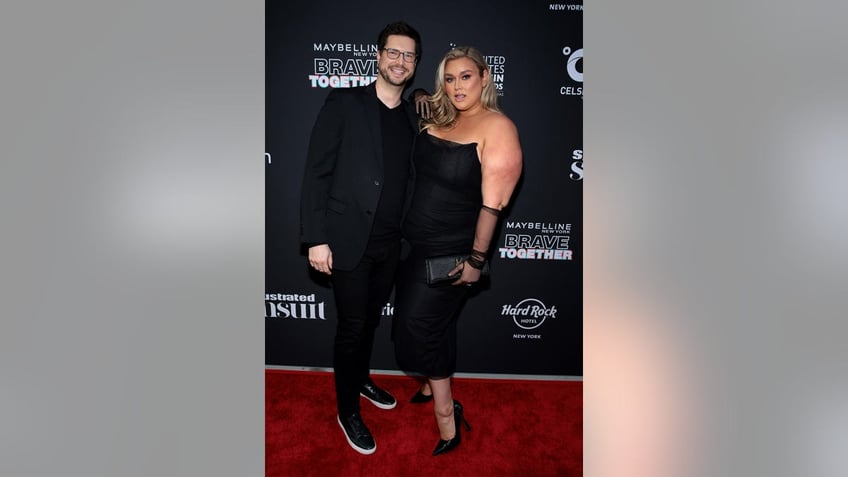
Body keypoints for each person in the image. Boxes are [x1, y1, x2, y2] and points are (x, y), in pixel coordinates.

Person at [299, 21, 427, 455]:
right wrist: (315, 237)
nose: (400, 61)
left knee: (370, 321)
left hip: (391, 244)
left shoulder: (413, 113)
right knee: (352, 328)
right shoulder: (345, 102)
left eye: (409, 56)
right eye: (394, 52)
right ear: (377, 55)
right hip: (347, 239)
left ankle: (360, 378)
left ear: (414, 65)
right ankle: (347, 409)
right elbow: (316, 172)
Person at [392, 46, 523, 456]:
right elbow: (422, 105)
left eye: (465, 77)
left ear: (484, 77)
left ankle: (448, 419)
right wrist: (419, 99)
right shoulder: (443, 115)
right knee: (432, 327)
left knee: (418, 329)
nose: (456, 86)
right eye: (449, 79)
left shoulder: (497, 127)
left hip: (451, 253)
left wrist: (477, 262)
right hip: (414, 245)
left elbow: (492, 205)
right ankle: (434, 389)